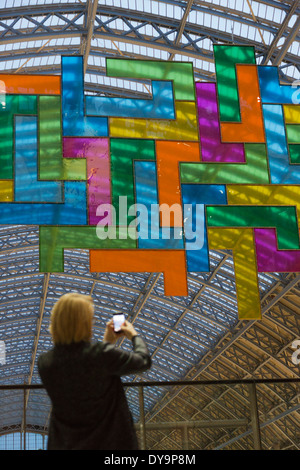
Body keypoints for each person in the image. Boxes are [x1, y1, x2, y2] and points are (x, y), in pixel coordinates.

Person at [38, 292, 151, 450]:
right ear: (83, 323)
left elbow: (86, 378)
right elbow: (144, 361)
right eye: (91, 319)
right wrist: (133, 335)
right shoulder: (101, 355)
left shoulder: (46, 363)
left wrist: (107, 343)